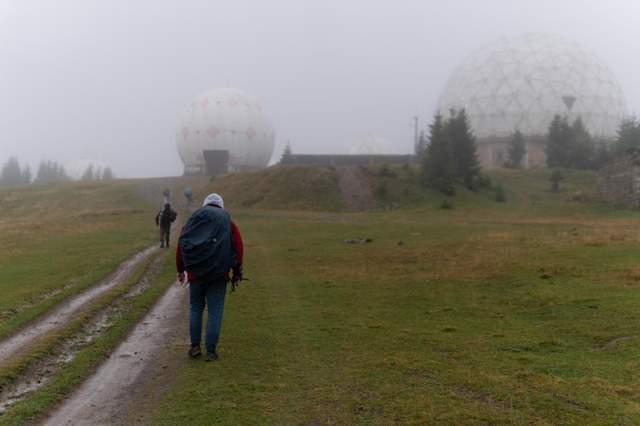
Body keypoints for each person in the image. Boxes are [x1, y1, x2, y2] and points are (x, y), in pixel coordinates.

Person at [176, 193, 243, 361]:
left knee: (196, 308)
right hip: (219, 274)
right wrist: (236, 272)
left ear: (205, 205)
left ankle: (195, 347)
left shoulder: (194, 220)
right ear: (221, 206)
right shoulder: (228, 222)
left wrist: (181, 269)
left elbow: (182, 244)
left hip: (195, 274)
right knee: (215, 311)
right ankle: (211, 351)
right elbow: (238, 246)